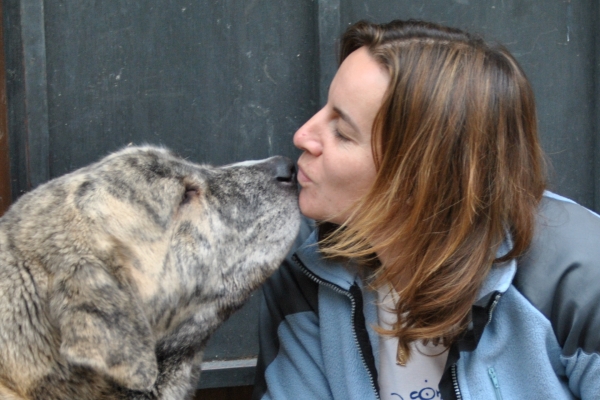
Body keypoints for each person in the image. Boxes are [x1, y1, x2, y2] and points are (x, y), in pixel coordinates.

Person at [252, 19, 600, 400]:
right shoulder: (306, 264)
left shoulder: (578, 274)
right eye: (325, 109)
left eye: (343, 131)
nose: (302, 135)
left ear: (421, 175)